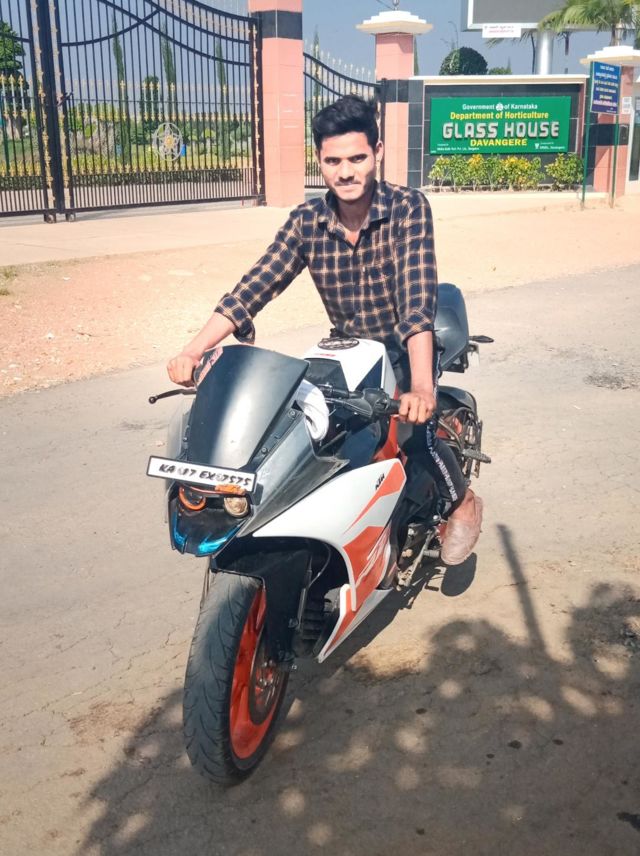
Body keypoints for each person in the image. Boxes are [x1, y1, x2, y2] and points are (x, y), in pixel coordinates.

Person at [167, 95, 482, 565]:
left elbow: (417, 304)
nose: (346, 172)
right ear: (320, 160)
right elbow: (254, 287)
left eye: (357, 158)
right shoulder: (306, 221)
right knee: (306, 427)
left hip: (405, 346)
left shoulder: (408, 208)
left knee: (414, 431)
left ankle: (461, 502)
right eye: (334, 161)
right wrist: (193, 350)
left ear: (377, 152)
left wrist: (421, 386)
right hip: (349, 347)